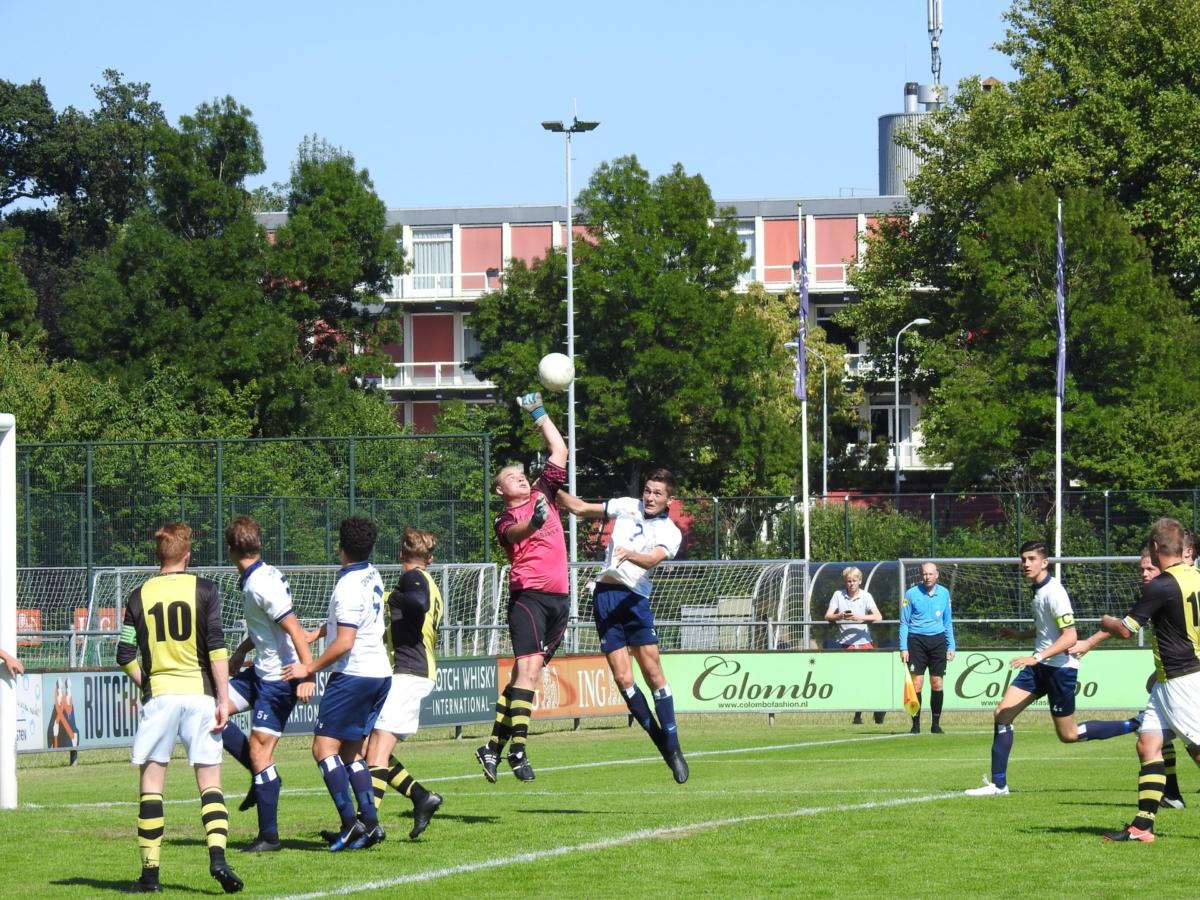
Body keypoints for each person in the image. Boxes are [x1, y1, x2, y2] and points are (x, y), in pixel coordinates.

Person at [115, 523, 243, 894]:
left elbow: (124, 654)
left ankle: (150, 876)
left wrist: (148, 683)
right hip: (201, 696)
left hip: (162, 697)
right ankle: (218, 858)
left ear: (159, 556)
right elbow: (217, 648)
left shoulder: (138, 596)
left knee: (152, 786)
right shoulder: (205, 589)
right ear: (187, 555)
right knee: (210, 784)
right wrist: (223, 699)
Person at [964, 540, 1139, 797]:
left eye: (1031, 559)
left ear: (1044, 562)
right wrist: (1020, 635)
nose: (1026, 564)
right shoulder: (1036, 589)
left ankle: (1135, 723)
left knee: (1068, 735)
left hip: (1060, 669)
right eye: (1023, 559)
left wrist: (1037, 656)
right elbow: (1046, 631)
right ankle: (998, 785)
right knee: (1002, 713)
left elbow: (1070, 637)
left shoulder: (1054, 592)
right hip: (1040, 667)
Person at [556, 468, 689, 783]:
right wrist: (550, 489)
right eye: (648, 490)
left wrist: (628, 554)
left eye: (658, 493)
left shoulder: (671, 531)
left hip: (634, 600)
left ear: (670, 498)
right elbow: (580, 508)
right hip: (605, 597)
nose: (650, 497)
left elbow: (651, 560)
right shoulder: (628, 506)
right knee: (622, 677)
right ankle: (661, 744)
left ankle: (673, 746)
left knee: (653, 672)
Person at [1073, 517, 1200, 842]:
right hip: (1168, 681)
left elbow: (1126, 630)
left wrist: (1107, 621)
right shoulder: (1194, 577)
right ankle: (1142, 827)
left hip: (1181, 680)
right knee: (1148, 744)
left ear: (1156, 548)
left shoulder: (1161, 585)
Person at [475, 392, 570, 784]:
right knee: (529, 672)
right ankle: (518, 749)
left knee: (522, 679)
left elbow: (559, 448)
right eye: (509, 477)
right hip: (528, 598)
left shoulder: (542, 492)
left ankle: (490, 749)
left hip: (560, 600)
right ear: (501, 490)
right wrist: (533, 524)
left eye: (519, 474)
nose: (517, 477)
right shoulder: (506, 517)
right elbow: (515, 533)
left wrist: (539, 413)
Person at [282, 516, 392, 851]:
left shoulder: (346, 586)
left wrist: (308, 667)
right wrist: (318, 632)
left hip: (355, 674)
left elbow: (345, 641)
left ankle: (350, 822)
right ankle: (370, 824)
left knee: (322, 749)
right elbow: (353, 623)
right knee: (349, 751)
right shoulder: (371, 573)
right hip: (379, 673)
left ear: (340, 547)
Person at [219, 515, 317, 852]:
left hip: (279, 678)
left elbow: (293, 627)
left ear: (231, 549)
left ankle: (269, 837)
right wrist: (241, 651)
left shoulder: (261, 582)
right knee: (211, 712)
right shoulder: (258, 576)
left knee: (261, 753)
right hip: (260, 671)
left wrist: (308, 672)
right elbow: (267, 626)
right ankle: (263, 779)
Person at [365, 526, 445, 839]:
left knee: (375, 753)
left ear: (401, 555)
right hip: (413, 672)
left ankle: (366, 825)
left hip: (410, 674)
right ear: (431, 557)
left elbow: (417, 603)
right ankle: (421, 798)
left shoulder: (412, 579)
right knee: (369, 747)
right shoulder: (429, 581)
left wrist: (389, 596)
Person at [824, 566, 885, 725]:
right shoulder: (838, 594)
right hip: (846, 645)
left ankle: (878, 708)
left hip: (865, 643)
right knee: (854, 681)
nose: (851, 584)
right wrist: (840, 616)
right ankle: (858, 715)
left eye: (854, 581)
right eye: (848, 581)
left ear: (860, 581)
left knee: (872, 678)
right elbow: (828, 615)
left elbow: (878, 616)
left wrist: (858, 617)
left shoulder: (866, 596)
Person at [900, 561, 955, 733]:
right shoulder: (911, 594)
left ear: (937, 575)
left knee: (937, 683)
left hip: (938, 642)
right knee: (917, 683)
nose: (927, 577)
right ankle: (915, 725)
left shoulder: (944, 594)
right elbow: (904, 623)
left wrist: (951, 645)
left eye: (931, 574)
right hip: (916, 641)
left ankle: (935, 724)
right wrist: (903, 647)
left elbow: (947, 622)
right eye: (924, 574)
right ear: (920, 574)